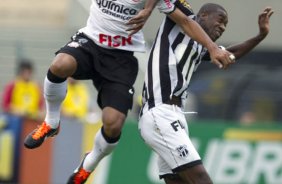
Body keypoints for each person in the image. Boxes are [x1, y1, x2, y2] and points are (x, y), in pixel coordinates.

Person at [23, 0, 234, 183]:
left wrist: (212, 47)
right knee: (61, 64)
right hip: (91, 42)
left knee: (113, 123)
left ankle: (88, 164)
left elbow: (187, 21)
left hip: (121, 59)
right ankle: (51, 122)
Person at [138, 2, 273, 184]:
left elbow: (231, 55)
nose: (223, 27)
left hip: (175, 116)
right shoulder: (179, 20)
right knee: (201, 178)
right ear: (203, 15)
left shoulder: (201, 46)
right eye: (220, 20)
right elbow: (183, 18)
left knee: (179, 181)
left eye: (225, 25)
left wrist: (260, 36)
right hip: (159, 112)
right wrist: (147, 9)